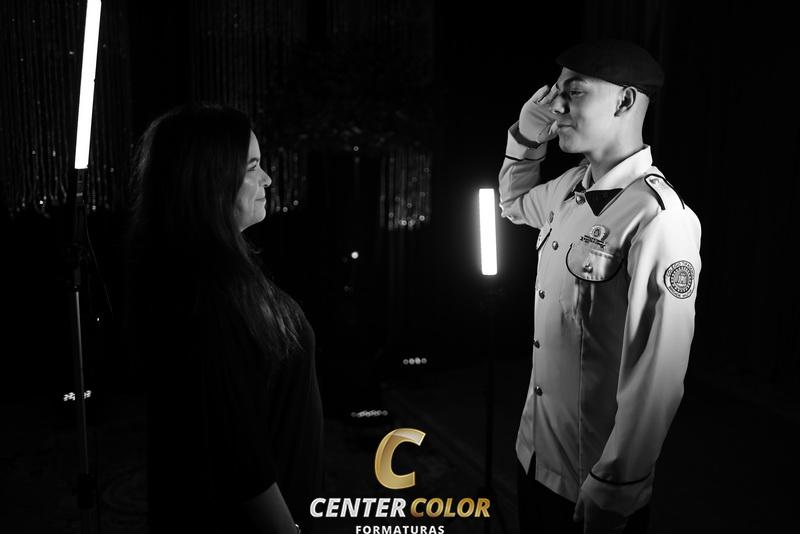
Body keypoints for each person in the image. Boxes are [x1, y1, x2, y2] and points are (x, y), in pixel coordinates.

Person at [499, 39, 701, 533]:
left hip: (591, 484)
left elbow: (658, 371)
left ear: (625, 100)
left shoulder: (657, 216)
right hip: (535, 455)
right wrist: (525, 136)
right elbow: (513, 202)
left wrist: (617, 483)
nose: (556, 106)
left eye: (574, 91)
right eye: (554, 92)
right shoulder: (571, 187)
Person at [125, 103, 323, 533]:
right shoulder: (205, 300)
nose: (266, 178)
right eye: (252, 167)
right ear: (209, 180)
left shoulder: (225, 277)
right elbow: (240, 463)